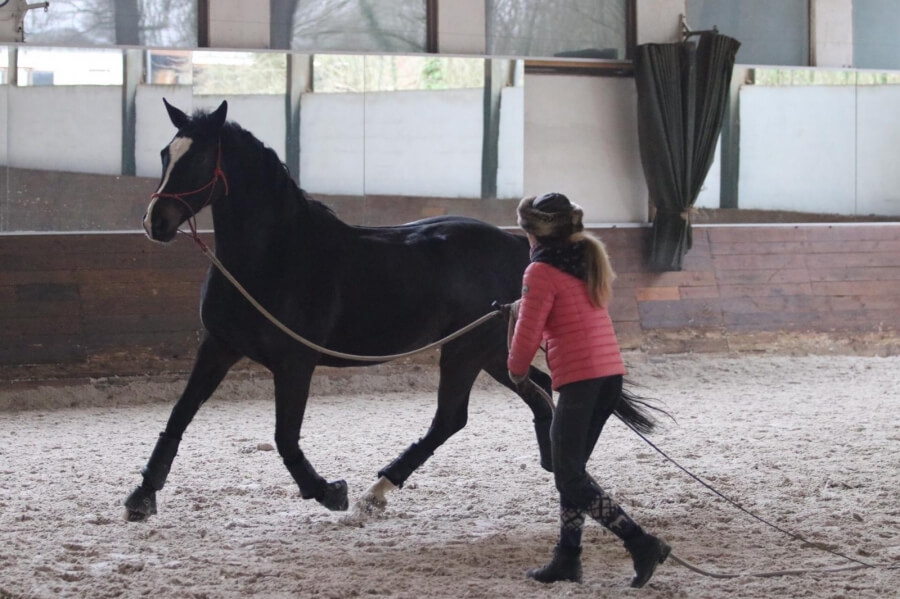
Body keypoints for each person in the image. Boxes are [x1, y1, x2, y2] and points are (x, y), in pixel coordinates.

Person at [506, 192, 669, 588]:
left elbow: (528, 334)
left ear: (534, 233)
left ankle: (640, 542)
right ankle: (568, 556)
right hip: (607, 375)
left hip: (581, 381)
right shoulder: (584, 261)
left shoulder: (540, 271)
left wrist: (515, 370)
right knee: (572, 471)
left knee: (569, 476)